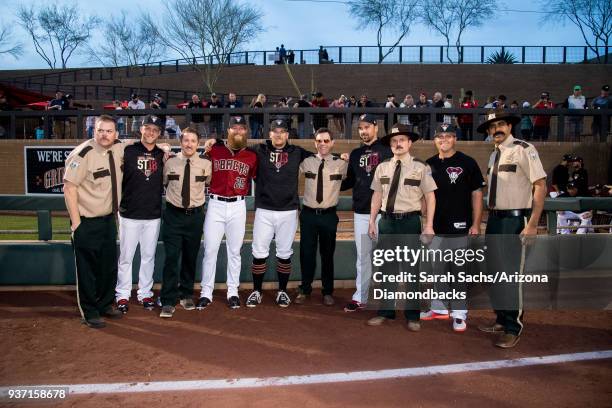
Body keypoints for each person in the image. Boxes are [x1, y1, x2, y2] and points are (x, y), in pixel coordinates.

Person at [477, 109, 547, 348]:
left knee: (511, 275)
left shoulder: (524, 149)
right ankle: (501, 318)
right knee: (495, 271)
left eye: (501, 124)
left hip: (516, 220)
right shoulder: (493, 154)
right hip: (495, 220)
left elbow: (540, 185)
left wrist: (533, 224)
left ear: (509, 126)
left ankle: (513, 326)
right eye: (491, 127)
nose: (496, 129)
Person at [366, 124, 437, 331]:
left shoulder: (421, 167)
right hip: (386, 222)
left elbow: (430, 197)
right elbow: (377, 195)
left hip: (409, 222)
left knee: (411, 270)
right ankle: (385, 311)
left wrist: (429, 225)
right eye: (394, 141)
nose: (398, 144)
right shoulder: (383, 167)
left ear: (409, 143)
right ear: (390, 144)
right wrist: (372, 221)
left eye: (402, 140)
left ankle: (412, 315)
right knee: (387, 269)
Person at [421, 123, 485, 332]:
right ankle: (439, 308)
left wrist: (475, 223)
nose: (444, 140)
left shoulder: (467, 162)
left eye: (448, 136)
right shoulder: (429, 164)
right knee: (437, 270)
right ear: (435, 140)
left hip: (460, 225)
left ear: (455, 139)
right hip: (435, 227)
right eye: (440, 136)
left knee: (458, 271)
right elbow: (425, 195)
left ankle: (459, 313)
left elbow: (477, 194)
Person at [63, 114, 125, 328]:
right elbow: (69, 187)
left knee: (108, 267)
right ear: (93, 131)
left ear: (116, 134)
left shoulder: (118, 148)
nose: (104, 134)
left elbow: (141, 144)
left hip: (108, 220)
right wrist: (76, 224)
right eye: (100, 130)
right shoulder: (83, 153)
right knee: (87, 271)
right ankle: (89, 312)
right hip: (86, 221)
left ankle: (105, 304)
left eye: (109, 131)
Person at [245, 118, 313, 308]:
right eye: (275, 131)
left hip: (289, 211)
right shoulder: (259, 149)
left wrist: (342, 157)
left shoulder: (297, 152)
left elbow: (320, 156)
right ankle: (256, 291)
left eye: (283, 131)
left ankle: (282, 291)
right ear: (270, 133)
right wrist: (214, 143)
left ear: (287, 135)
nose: (278, 134)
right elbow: (236, 146)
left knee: (284, 253)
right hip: (264, 209)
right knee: (259, 252)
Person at [198, 116, 258, 310]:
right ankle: (206, 292)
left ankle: (233, 291)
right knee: (210, 250)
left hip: (238, 206)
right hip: (215, 204)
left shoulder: (252, 155)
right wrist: (209, 144)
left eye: (242, 128)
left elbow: (259, 177)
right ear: (228, 131)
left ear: (246, 132)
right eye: (234, 128)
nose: (238, 131)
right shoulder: (214, 149)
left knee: (234, 252)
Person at [340, 114, 393, 312]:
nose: (363, 131)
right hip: (361, 212)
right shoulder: (355, 154)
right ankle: (360, 296)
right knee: (363, 257)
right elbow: (351, 181)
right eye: (360, 128)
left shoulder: (387, 150)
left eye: (366, 127)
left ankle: (389, 299)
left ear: (375, 127)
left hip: (385, 213)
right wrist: (333, 180)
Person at [159, 128, 212, 318]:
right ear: (180, 142)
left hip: (195, 216)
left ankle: (186, 293)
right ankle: (167, 299)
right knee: (171, 258)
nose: (189, 144)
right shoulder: (169, 162)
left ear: (198, 143)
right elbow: (164, 183)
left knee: (190, 257)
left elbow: (208, 182)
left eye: (193, 141)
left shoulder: (206, 164)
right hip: (173, 215)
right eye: (186, 140)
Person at [115, 115, 166, 314]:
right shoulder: (127, 150)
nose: (151, 132)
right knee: (126, 257)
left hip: (152, 215)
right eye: (148, 128)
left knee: (148, 256)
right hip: (129, 213)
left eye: (155, 129)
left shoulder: (163, 154)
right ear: (141, 129)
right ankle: (122, 295)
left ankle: (145, 293)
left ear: (160, 133)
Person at [295, 128, 348, 306]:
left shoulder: (341, 163)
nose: (323, 144)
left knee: (327, 255)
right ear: (314, 143)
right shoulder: (306, 162)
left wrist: (347, 158)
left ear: (332, 143)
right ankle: (305, 289)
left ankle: (327, 291)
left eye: (326, 141)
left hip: (329, 216)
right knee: (306, 254)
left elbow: (354, 178)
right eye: (319, 141)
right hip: (309, 215)